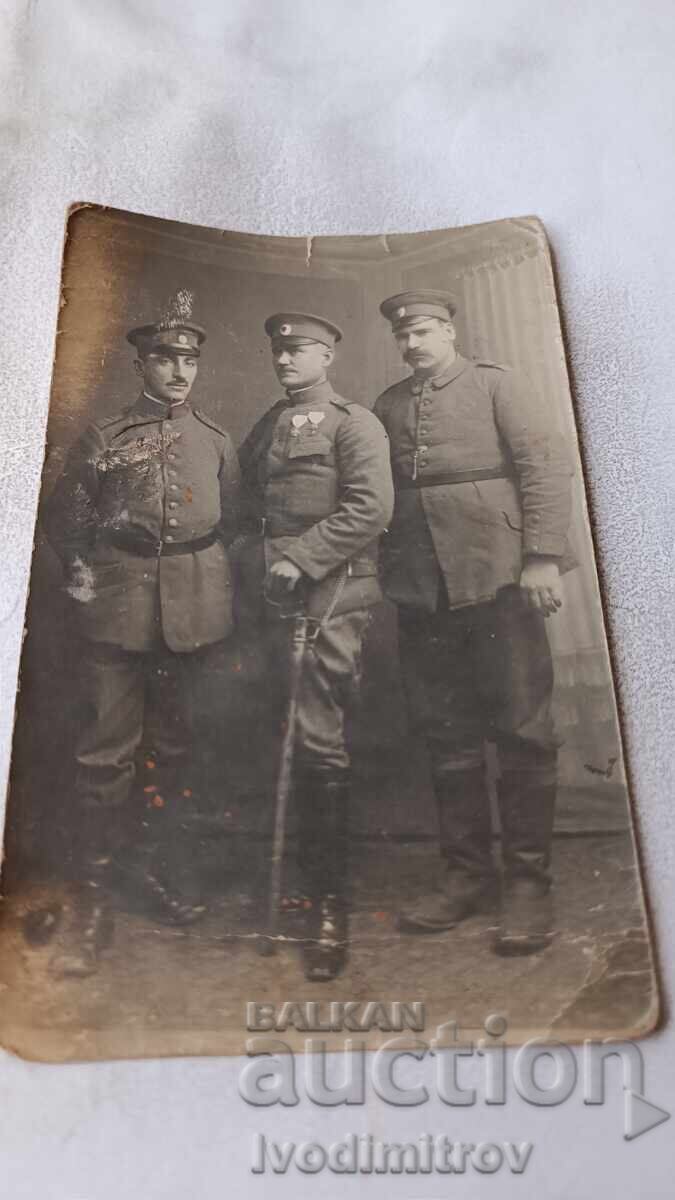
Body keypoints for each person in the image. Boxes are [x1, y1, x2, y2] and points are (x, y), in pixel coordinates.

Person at [43, 290, 240, 976]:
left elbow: (233, 522)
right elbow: (66, 520)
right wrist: (85, 581)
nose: (179, 371)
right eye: (164, 359)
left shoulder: (215, 440)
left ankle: (149, 872)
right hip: (118, 610)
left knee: (175, 750)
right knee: (106, 754)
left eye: (189, 361)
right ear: (140, 366)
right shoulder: (107, 437)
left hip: (194, 614)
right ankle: (94, 900)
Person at [374, 289, 575, 954]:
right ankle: (466, 876)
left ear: (449, 331)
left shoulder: (496, 386)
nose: (413, 343)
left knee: (522, 730)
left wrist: (541, 557)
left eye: (425, 331)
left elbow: (543, 467)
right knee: (446, 734)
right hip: (422, 588)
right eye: (404, 335)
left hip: (500, 578)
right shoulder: (389, 405)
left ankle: (528, 884)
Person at [237, 312, 393, 980]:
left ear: (327, 356)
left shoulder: (355, 424)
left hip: (332, 596)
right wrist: (255, 563)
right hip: (271, 598)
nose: (284, 360)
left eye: (298, 350)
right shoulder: (268, 424)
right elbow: (247, 508)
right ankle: (296, 882)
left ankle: (330, 908)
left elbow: (370, 508)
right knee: (280, 731)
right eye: (279, 351)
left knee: (317, 736)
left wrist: (301, 559)